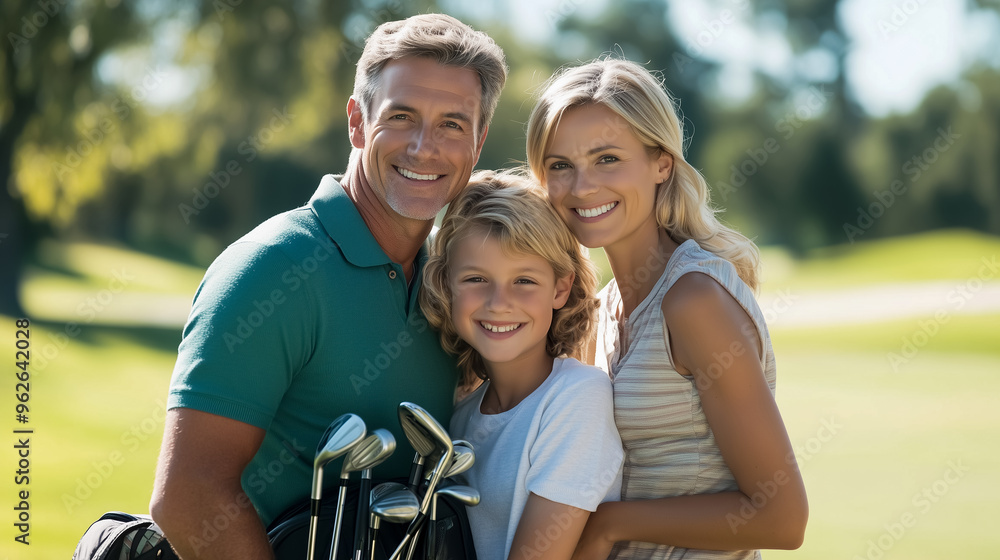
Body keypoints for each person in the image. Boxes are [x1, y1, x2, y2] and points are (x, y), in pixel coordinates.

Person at [149, 14, 507, 560]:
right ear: (357, 122)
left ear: (478, 142)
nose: (424, 147)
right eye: (402, 116)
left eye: (452, 125)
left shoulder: (452, 281)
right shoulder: (272, 267)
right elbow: (188, 494)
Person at [525, 58, 809, 559]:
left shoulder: (693, 299)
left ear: (662, 163)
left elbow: (781, 517)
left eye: (607, 158)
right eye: (560, 165)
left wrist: (608, 526)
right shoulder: (604, 308)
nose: (583, 186)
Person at [419, 169, 624, 560]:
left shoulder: (577, 398)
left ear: (560, 288)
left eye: (524, 281)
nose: (499, 302)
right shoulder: (461, 416)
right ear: (446, 285)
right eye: (477, 278)